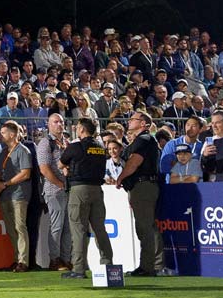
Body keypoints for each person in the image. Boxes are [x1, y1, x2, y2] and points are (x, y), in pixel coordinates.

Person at [113, 110, 166, 276]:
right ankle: (153, 264)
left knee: (145, 227)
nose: (129, 121)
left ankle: (148, 266)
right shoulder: (143, 140)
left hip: (143, 185)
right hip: (142, 186)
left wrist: (121, 177)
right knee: (148, 226)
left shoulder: (144, 139)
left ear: (143, 124)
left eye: (133, 119)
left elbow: (135, 162)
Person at [60, 118, 115, 279]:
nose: (76, 129)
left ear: (82, 130)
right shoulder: (101, 147)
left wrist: (67, 169)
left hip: (79, 189)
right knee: (100, 229)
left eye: (78, 127)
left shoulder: (75, 146)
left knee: (78, 229)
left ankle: (78, 268)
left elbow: (60, 164)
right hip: (97, 190)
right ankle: (108, 265)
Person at [0, 121, 35, 272]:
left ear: (12, 134)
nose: (0, 135)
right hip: (5, 195)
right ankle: (17, 259)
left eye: (3, 133)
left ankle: (23, 261)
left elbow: (25, 173)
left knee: (20, 227)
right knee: (11, 228)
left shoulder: (23, 151)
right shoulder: (3, 152)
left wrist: (5, 184)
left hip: (19, 194)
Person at [34, 113, 69, 270]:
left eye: (61, 121)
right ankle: (54, 259)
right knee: (57, 226)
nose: (59, 124)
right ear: (48, 125)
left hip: (67, 188)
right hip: (54, 190)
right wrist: (60, 184)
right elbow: (44, 169)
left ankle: (66, 258)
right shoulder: (45, 143)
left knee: (68, 226)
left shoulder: (66, 142)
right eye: (55, 122)